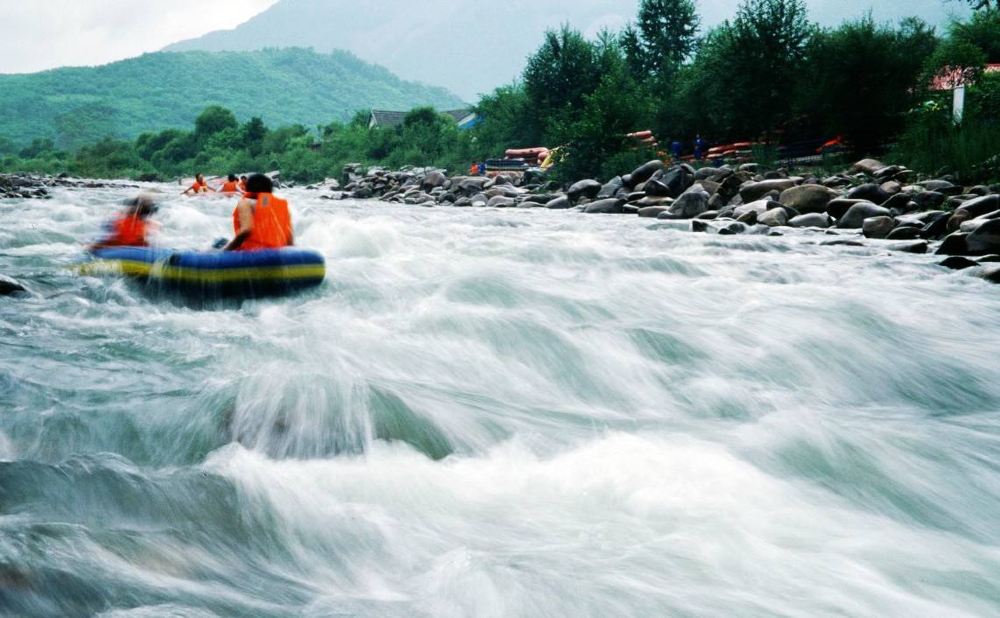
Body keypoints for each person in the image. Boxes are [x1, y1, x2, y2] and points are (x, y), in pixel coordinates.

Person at [224, 173, 293, 252]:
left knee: (219, 244)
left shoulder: (245, 202)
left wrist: (226, 250)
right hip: (278, 253)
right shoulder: (278, 205)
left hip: (252, 254)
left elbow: (246, 230)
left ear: (248, 187)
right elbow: (289, 238)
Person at [89, 195, 158, 251]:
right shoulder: (121, 221)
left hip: (128, 247)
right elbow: (106, 240)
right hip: (114, 247)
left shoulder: (146, 223)